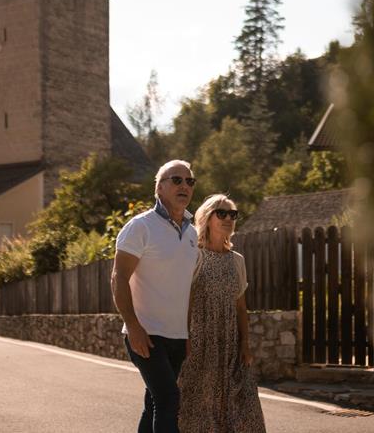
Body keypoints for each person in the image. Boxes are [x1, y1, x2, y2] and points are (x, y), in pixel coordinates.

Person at [111, 160, 198, 433]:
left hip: (177, 336)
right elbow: (119, 278)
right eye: (176, 180)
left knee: (155, 402)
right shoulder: (141, 227)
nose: (184, 185)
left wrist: (188, 334)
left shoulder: (193, 232)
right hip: (145, 335)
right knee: (169, 399)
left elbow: (184, 288)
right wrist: (134, 327)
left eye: (189, 181)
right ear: (159, 188)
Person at [178, 194, 267, 433]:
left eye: (233, 214)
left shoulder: (237, 261)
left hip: (230, 345)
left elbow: (240, 306)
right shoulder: (194, 256)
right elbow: (185, 301)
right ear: (207, 218)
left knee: (246, 408)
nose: (228, 218)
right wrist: (184, 340)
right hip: (200, 344)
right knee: (201, 408)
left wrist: (245, 344)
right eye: (222, 213)